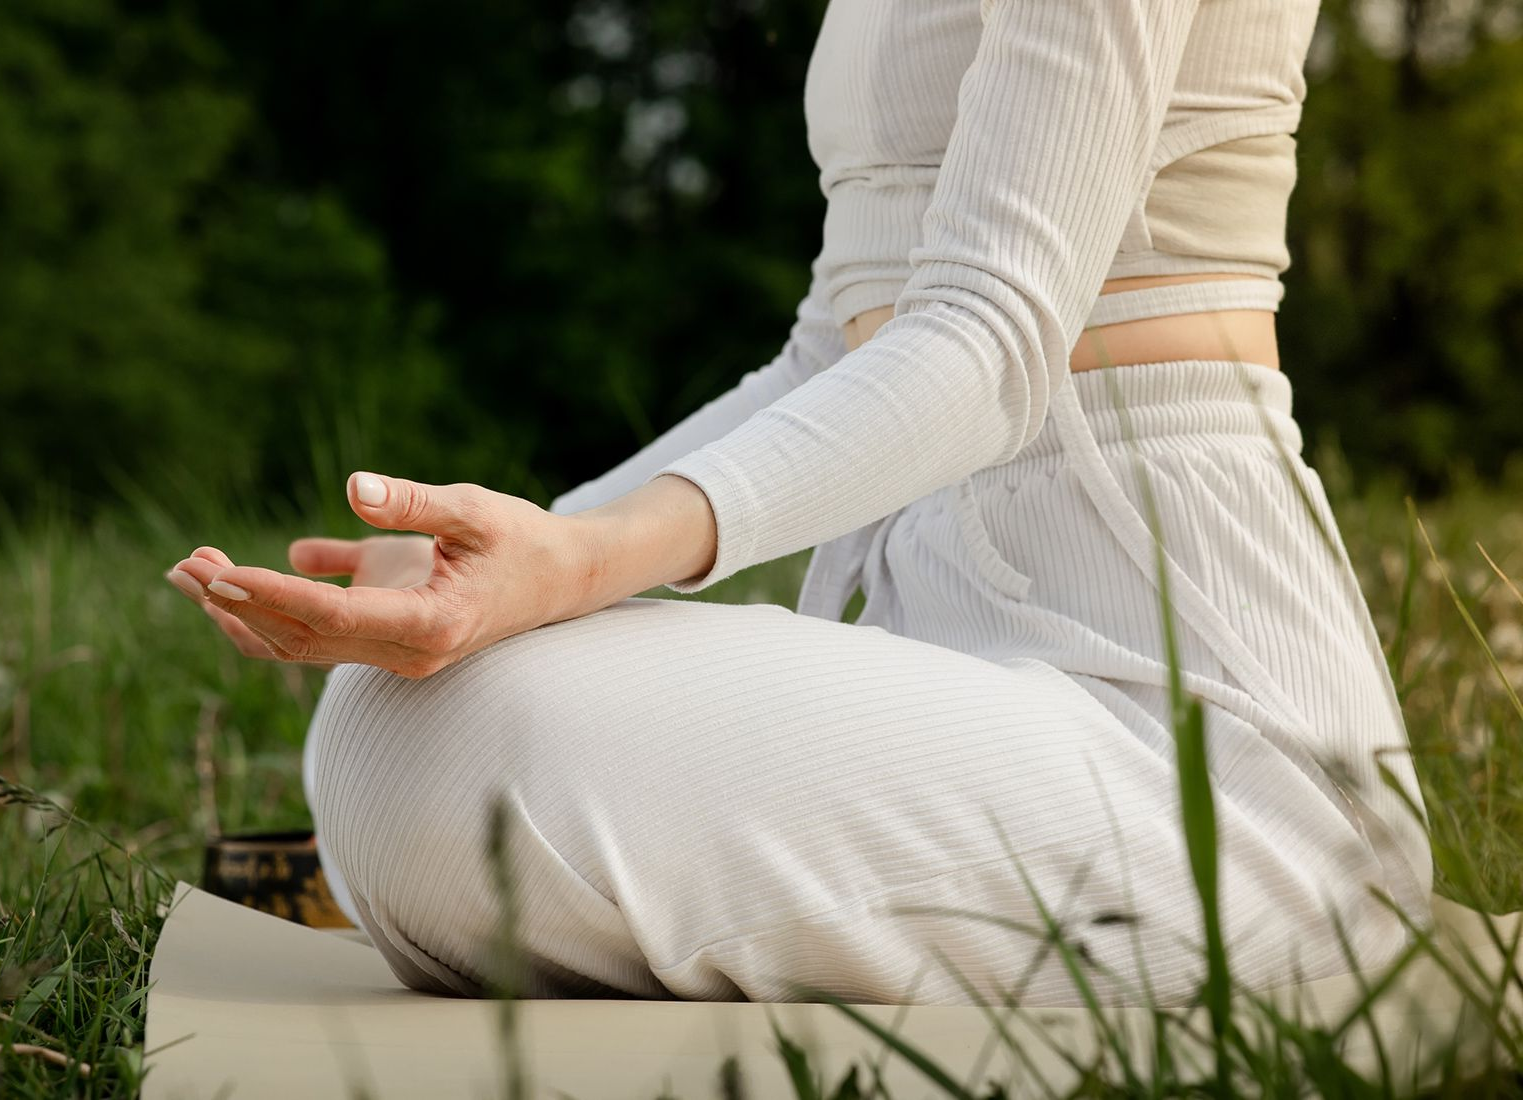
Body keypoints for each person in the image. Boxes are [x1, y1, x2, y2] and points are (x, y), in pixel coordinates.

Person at [164, 0, 1436, 1006]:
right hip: (947, 646)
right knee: (411, 714)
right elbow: (835, 344)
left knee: (456, 753)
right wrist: (497, 558)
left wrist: (584, 563)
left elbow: (992, 340)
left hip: (1200, 728)